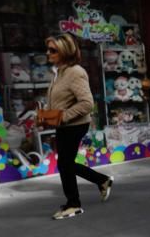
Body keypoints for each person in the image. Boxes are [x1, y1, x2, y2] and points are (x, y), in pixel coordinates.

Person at [40, 33, 113, 219]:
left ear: (65, 51)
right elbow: (60, 100)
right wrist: (46, 116)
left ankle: (74, 204)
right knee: (65, 163)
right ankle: (102, 180)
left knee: (64, 164)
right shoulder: (59, 73)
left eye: (53, 50)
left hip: (75, 125)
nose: (48, 53)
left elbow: (87, 103)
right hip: (64, 125)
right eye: (47, 49)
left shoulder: (75, 72)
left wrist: (63, 117)